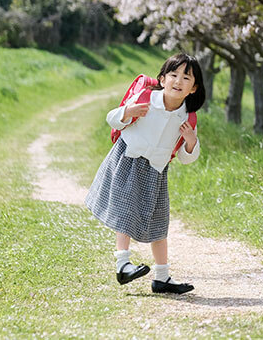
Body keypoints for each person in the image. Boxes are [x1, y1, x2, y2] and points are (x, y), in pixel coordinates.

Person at [85, 53, 205, 294]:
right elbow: (113, 119)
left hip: (156, 172)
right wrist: (127, 112)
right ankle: (122, 264)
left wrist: (191, 141)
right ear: (162, 79)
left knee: (159, 225)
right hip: (129, 160)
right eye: (173, 75)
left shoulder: (187, 117)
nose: (178, 81)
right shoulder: (146, 98)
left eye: (186, 78)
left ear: (193, 88)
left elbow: (185, 157)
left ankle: (162, 277)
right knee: (126, 211)